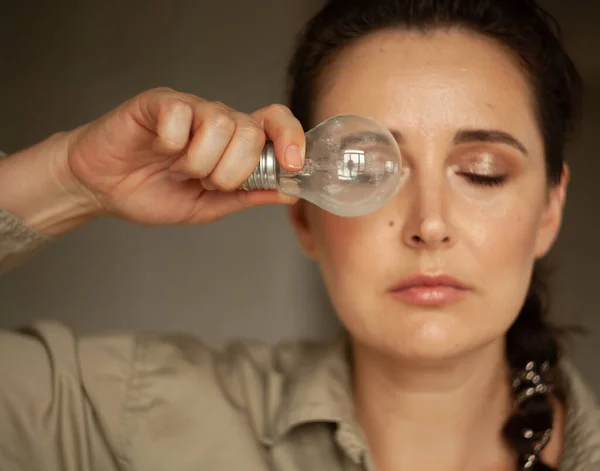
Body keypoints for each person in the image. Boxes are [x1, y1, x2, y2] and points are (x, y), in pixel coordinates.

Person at [0, 0, 598, 470]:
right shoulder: (132, 422)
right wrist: (70, 179)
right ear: (303, 214)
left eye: (481, 173)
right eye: (366, 171)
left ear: (550, 208)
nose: (430, 224)